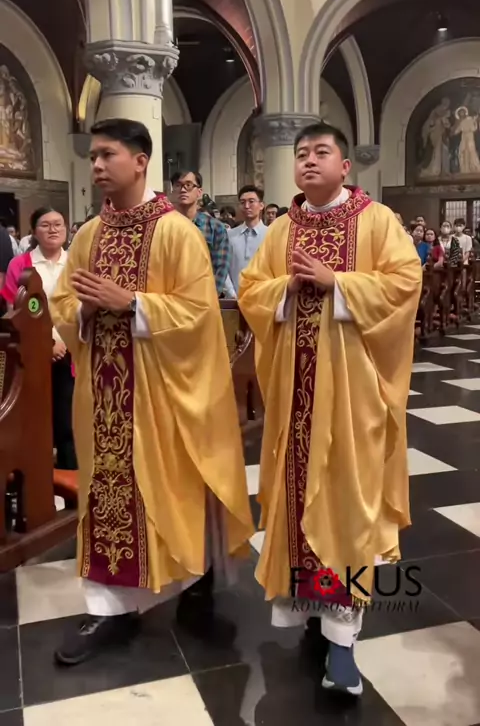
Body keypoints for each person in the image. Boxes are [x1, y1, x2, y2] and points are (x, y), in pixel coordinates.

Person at [50, 118, 253, 666]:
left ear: (141, 161)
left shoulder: (175, 233)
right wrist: (84, 309)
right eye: (93, 156)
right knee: (108, 497)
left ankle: (191, 581)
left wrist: (133, 302)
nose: (96, 165)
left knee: (172, 490)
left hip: (161, 397)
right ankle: (110, 608)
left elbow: (198, 314)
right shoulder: (88, 235)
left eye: (107, 155)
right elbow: (64, 303)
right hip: (104, 400)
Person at [238, 122, 421, 697]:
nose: (309, 161)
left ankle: (343, 642)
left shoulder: (377, 221)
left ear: (345, 166)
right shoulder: (282, 229)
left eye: (321, 152)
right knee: (298, 505)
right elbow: (251, 289)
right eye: (301, 154)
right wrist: (286, 290)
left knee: (346, 506)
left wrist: (336, 282)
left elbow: (405, 284)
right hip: (295, 397)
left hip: (352, 397)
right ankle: (311, 613)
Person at [2, 208, 76, 469]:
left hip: (72, 350)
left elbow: (82, 305)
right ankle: (37, 481)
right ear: (34, 231)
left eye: (58, 224)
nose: (53, 229)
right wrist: (49, 342)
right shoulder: (20, 264)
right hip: (34, 349)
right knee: (36, 419)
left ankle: (70, 479)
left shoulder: (76, 262)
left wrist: (64, 341)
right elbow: (18, 309)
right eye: (45, 225)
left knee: (69, 421)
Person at [170, 170, 231, 295]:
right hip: (169, 297)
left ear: (199, 192)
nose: (183, 190)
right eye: (178, 185)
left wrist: (208, 297)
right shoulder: (164, 226)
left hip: (203, 297)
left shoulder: (215, 228)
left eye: (188, 185)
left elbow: (221, 268)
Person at [225, 185, 268, 297]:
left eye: (251, 201)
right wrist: (232, 293)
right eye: (242, 202)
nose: (247, 206)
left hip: (264, 298)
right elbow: (224, 267)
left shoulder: (270, 234)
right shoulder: (230, 235)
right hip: (235, 298)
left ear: (261, 205)